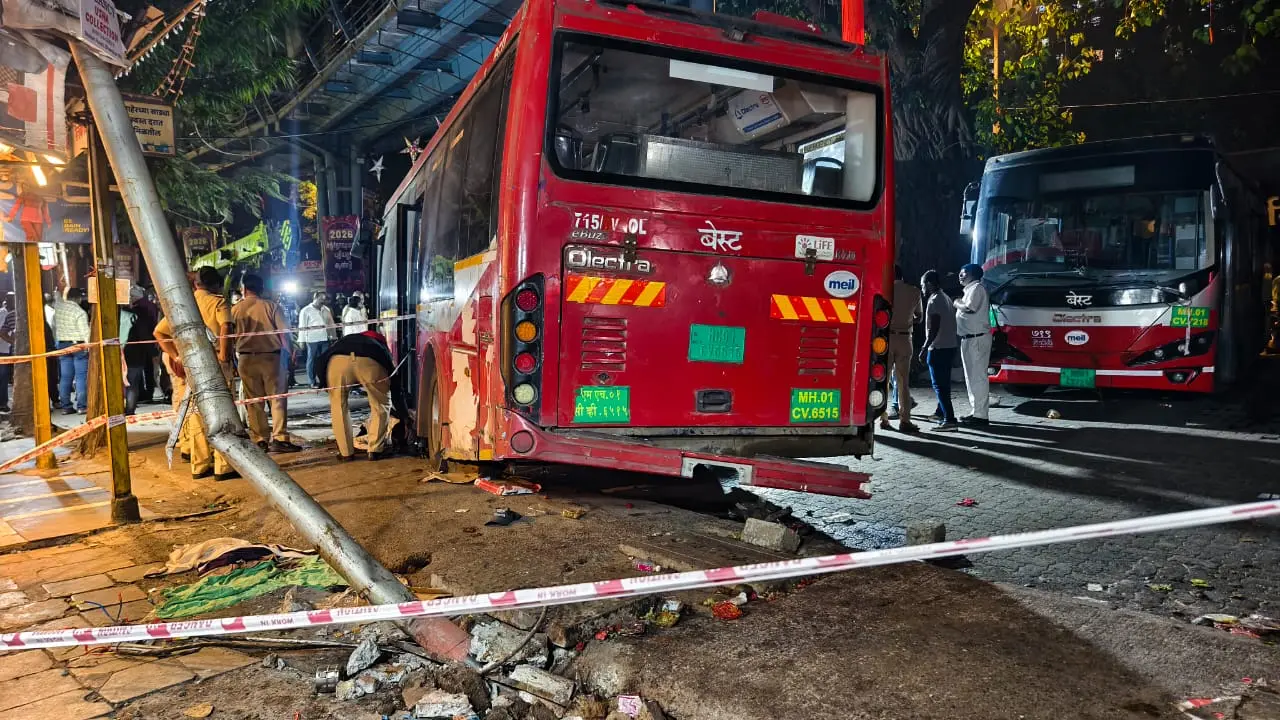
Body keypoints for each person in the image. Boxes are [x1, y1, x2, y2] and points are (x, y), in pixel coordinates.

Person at [154, 268, 239, 480]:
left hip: (191, 365)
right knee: (222, 413)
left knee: (195, 414)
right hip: (214, 364)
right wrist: (224, 357)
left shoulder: (182, 304)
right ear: (216, 285)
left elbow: (159, 332)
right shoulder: (218, 302)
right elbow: (225, 329)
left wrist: (176, 356)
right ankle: (223, 466)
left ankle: (200, 465)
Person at [232, 274, 301, 453]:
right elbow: (284, 334)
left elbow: (228, 336)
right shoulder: (272, 306)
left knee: (254, 402)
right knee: (277, 399)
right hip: (271, 359)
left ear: (244, 289)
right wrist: (291, 353)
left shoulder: (235, 309)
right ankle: (279, 437)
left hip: (246, 359)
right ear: (261, 288)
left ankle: (259, 439)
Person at [317, 327, 399, 461]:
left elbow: (321, 361)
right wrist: (402, 412)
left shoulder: (344, 341)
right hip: (370, 362)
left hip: (337, 362)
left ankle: (345, 453)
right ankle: (375, 450)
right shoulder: (379, 347)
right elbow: (394, 380)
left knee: (338, 405)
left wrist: (324, 384)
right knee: (380, 404)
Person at [880, 265, 922, 432]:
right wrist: (909, 320)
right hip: (905, 339)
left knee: (882, 381)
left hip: (886, 338)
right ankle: (905, 420)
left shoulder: (884, 290)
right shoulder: (914, 292)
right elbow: (919, 317)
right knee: (903, 382)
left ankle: (883, 419)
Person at [919, 270, 959, 432]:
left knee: (939, 385)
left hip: (938, 347)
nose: (922, 288)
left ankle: (949, 419)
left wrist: (924, 347)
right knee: (944, 383)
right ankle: (940, 412)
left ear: (929, 284)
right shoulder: (946, 298)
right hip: (949, 346)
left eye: (922, 285)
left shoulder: (934, 300)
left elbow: (934, 327)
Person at [954, 263, 992, 426]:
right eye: (960, 273)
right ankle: (976, 411)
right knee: (971, 377)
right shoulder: (970, 290)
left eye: (964, 273)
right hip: (969, 338)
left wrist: (956, 302)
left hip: (976, 339)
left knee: (978, 377)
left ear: (973, 275)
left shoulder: (977, 288)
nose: (960, 275)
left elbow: (970, 308)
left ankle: (981, 415)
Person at [54, 288, 91, 414]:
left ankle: (66, 407)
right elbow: (85, 332)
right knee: (81, 377)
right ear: (78, 298)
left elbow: (54, 327)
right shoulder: (79, 312)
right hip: (78, 345)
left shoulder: (58, 310)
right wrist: (88, 347)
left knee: (65, 377)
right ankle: (82, 406)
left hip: (62, 345)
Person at [124, 286, 158, 414]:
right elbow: (145, 334)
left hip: (120, 352)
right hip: (135, 353)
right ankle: (130, 410)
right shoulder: (139, 315)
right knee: (132, 383)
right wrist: (153, 352)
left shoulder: (117, 315)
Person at [298, 291, 336, 388]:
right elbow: (302, 326)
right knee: (311, 360)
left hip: (325, 338)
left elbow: (331, 324)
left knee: (324, 360)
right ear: (315, 298)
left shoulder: (326, 309)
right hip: (311, 339)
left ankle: (324, 380)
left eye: (324, 299)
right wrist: (301, 341)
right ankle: (312, 381)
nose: (323, 301)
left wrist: (333, 336)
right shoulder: (305, 310)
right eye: (321, 299)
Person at [0, 300, 14, 413]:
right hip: (3, 350)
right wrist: (13, 341)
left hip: (4, 349)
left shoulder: (6, 314)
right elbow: (2, 332)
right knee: (3, 377)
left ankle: (3, 403)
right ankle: (3, 404)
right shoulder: (5, 314)